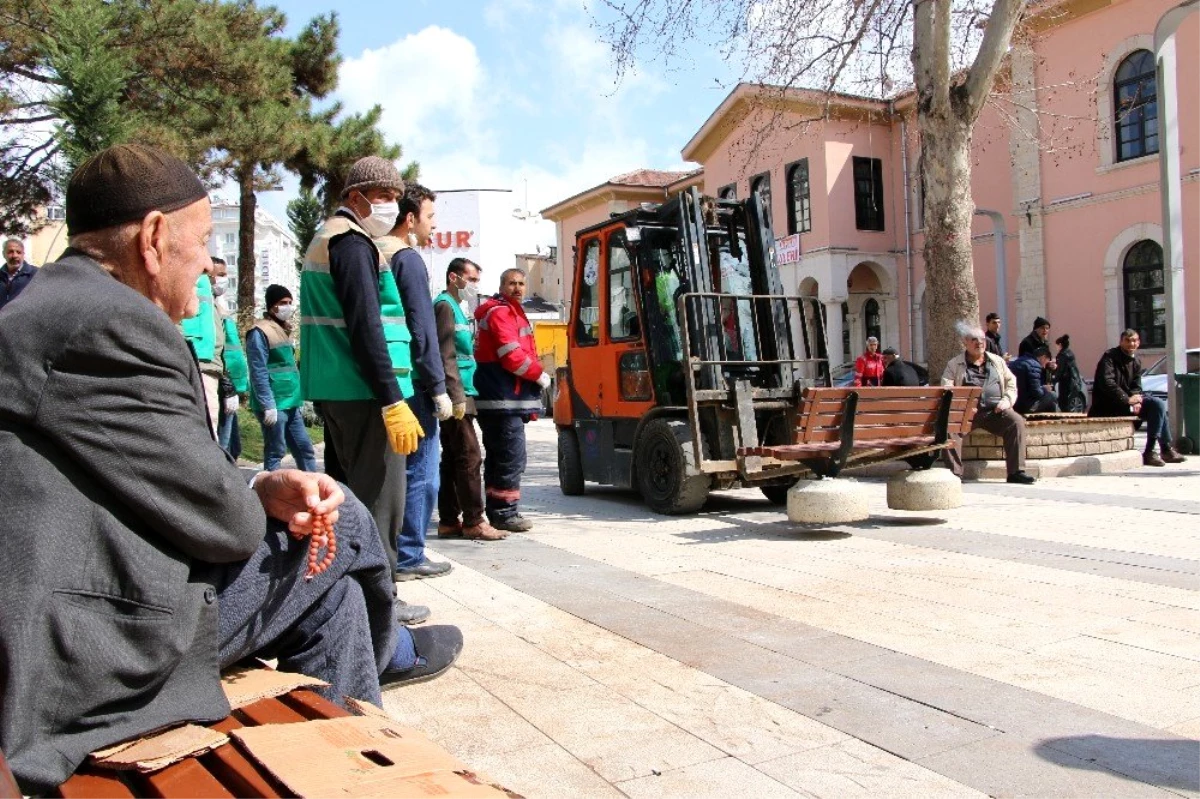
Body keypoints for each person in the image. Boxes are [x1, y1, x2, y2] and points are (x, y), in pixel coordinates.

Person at [0, 144, 461, 795]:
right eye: (199, 247)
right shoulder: (113, 322)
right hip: (84, 652)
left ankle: (351, 765)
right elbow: (224, 527)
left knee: (336, 594)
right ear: (155, 238)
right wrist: (252, 496)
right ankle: (391, 653)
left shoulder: (50, 303)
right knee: (344, 520)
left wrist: (258, 482)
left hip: (74, 599)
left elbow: (156, 479)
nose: (203, 274)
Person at [298, 157, 422, 582]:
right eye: (383, 197)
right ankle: (378, 601)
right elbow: (366, 326)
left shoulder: (331, 237)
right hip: (364, 392)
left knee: (346, 497)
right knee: (379, 500)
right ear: (355, 197)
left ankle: (346, 594)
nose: (390, 206)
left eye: (394, 197)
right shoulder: (351, 242)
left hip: (341, 387)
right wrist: (391, 399)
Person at [375, 184, 454, 580]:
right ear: (410, 219)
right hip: (413, 382)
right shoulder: (406, 257)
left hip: (382, 377)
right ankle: (409, 554)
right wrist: (438, 386)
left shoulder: (371, 250)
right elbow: (421, 327)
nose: (433, 226)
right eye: (431, 218)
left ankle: (393, 553)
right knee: (422, 472)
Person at [434, 258, 505, 541]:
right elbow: (445, 353)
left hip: (463, 389)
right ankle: (474, 520)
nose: (474, 285)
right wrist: (454, 393)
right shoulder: (444, 306)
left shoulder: (456, 308)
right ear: (454, 277)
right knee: (469, 455)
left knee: (453, 457)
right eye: (471, 279)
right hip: (457, 392)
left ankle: (450, 520)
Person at [475, 267, 550, 532]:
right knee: (510, 457)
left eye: (520, 283)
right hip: (503, 399)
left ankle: (498, 511)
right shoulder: (502, 313)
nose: (517, 288)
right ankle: (505, 513)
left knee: (500, 457)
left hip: (501, 398)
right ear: (501, 285)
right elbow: (512, 356)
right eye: (511, 283)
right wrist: (539, 374)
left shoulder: (510, 312)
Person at [941, 323, 1036, 484]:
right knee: (950, 428)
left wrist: (1006, 401)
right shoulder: (954, 364)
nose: (979, 343)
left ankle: (1016, 472)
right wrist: (960, 403)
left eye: (982, 339)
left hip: (995, 411)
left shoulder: (997, 361)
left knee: (1016, 422)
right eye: (974, 339)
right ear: (965, 342)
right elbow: (946, 386)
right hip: (966, 412)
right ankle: (955, 474)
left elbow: (1011, 382)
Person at [1089, 329, 1187, 466]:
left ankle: (1154, 451)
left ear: (1139, 342)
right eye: (1127, 341)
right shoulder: (1109, 358)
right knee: (1157, 405)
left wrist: (1137, 399)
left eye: (1134, 340)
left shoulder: (1136, 361)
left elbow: (1136, 385)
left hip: (1126, 405)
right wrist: (1127, 399)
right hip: (1109, 406)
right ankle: (1163, 449)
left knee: (1157, 405)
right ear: (1121, 342)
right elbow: (1107, 382)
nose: (1131, 344)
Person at [247, 284, 318, 472]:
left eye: (289, 302)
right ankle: (271, 494)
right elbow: (258, 370)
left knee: (305, 449)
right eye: (282, 303)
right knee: (275, 452)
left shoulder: (280, 329)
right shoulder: (259, 332)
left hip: (290, 401)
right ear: (271, 306)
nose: (287, 307)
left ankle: (313, 490)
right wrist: (267, 404)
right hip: (275, 403)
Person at [180, 259, 221, 434]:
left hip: (210, 365)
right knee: (206, 424)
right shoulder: (189, 280)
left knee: (211, 423)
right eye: (219, 275)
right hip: (198, 362)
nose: (219, 279)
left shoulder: (214, 302)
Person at [213, 257, 248, 458]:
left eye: (225, 275)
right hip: (222, 385)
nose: (224, 280)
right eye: (220, 275)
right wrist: (226, 386)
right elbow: (216, 350)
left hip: (231, 385)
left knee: (234, 449)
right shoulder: (208, 307)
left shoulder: (222, 306)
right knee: (223, 447)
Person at [1009, 345, 1059, 415]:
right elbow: (1037, 393)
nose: (1044, 367)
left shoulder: (1018, 361)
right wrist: (1045, 389)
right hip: (1025, 406)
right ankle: (1053, 421)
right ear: (1043, 357)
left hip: (1014, 404)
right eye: (1046, 362)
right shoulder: (1034, 365)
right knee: (1052, 395)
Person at [1053, 334, 1088, 413]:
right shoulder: (1070, 353)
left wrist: (1054, 380)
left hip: (1065, 381)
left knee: (1063, 402)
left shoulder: (1062, 355)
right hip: (1072, 380)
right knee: (1068, 401)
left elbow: (1060, 370)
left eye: (1057, 345)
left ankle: (1066, 418)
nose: (1056, 347)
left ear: (1060, 345)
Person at [0, 238, 36, 310]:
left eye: (18, 252)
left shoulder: (35, 274)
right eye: (10, 252)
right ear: (3, 254)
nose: (14, 255)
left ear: (23, 255)